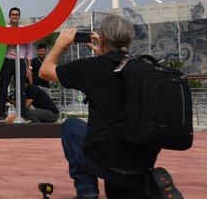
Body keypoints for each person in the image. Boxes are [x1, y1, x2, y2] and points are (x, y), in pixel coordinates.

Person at [39, 15, 182, 198]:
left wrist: (60, 45)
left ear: (103, 39)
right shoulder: (141, 68)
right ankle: (147, 186)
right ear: (129, 40)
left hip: (106, 163)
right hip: (142, 163)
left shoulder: (90, 68)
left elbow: (45, 71)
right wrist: (106, 53)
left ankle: (87, 193)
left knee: (71, 127)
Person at [0, 7, 32, 122]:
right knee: (3, 88)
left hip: (20, 61)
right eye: (12, 14)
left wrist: (29, 67)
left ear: (19, 17)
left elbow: (29, 50)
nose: (14, 16)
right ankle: (1, 114)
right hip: (7, 61)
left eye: (16, 15)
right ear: (9, 16)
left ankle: (22, 115)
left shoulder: (24, 30)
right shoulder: (5, 29)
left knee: (20, 89)